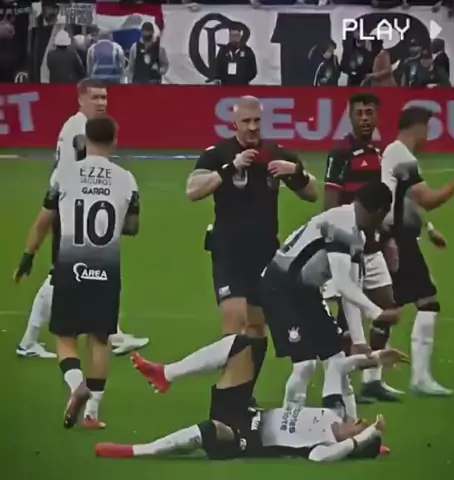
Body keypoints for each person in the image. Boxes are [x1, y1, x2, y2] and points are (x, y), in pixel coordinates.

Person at [95, 331, 408, 461]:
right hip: (244, 410)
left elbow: (321, 459)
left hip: (242, 437)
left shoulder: (323, 445)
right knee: (248, 344)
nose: (358, 421)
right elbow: (338, 368)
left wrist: (365, 438)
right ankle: (167, 373)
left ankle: (137, 451)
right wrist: (376, 359)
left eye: (360, 428)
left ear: (353, 443)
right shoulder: (334, 412)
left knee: (209, 431)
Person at [14, 116, 140, 429]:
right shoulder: (126, 179)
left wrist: (29, 255)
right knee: (100, 339)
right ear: (115, 141)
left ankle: (75, 385)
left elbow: (45, 218)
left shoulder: (64, 174)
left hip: (70, 266)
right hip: (106, 270)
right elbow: (132, 227)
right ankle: (92, 414)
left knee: (65, 335)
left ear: (85, 141)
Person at [15, 79, 148, 360]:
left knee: (74, 273)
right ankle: (35, 341)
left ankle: (32, 341)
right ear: (81, 99)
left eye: (104, 97)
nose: (101, 103)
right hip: (72, 208)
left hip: (78, 206)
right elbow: (66, 177)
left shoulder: (81, 127)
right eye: (95, 97)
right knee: (73, 274)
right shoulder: (77, 129)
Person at [185, 95, 318, 348]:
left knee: (258, 326)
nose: (253, 127)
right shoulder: (218, 154)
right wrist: (230, 168)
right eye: (246, 121)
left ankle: (247, 375)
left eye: (257, 120)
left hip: (264, 252)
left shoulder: (275, 153)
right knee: (235, 322)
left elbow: (312, 193)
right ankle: (231, 374)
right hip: (228, 251)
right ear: (234, 123)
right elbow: (193, 190)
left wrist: (295, 172)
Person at [262, 182, 401, 417]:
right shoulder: (341, 224)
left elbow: (351, 288)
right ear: (379, 211)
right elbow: (343, 283)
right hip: (279, 289)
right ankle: (289, 425)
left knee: (337, 360)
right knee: (305, 365)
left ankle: (349, 425)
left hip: (306, 291)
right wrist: (377, 313)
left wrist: (358, 339)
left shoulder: (356, 235)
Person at [382, 106, 454, 396]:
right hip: (398, 239)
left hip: (394, 237)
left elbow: (403, 200)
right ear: (417, 127)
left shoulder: (394, 154)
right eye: (427, 129)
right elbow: (428, 200)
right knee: (427, 301)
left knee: (391, 305)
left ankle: (374, 376)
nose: (429, 136)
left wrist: (429, 229)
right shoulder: (403, 157)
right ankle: (419, 378)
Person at [322, 93, 401, 403]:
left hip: (374, 247)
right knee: (346, 321)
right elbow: (330, 205)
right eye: (359, 113)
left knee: (388, 308)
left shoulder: (379, 153)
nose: (365, 118)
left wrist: (388, 238)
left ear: (378, 116)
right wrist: (341, 242)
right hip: (349, 250)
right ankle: (342, 385)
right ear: (350, 117)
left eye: (369, 112)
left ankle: (372, 379)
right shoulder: (342, 153)